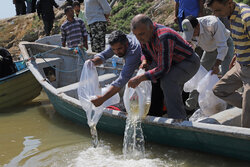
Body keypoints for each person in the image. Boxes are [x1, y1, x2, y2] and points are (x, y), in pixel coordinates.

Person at [129, 14, 200, 120]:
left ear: (151, 27)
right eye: (136, 36)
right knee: (150, 76)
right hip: (168, 62)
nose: (139, 38)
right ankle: (155, 113)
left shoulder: (164, 36)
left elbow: (163, 69)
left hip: (188, 62)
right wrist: (144, 61)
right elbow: (145, 53)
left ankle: (178, 119)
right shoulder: (144, 36)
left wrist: (140, 78)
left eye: (141, 34)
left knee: (168, 80)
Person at [205, 0, 250, 127]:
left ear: (229, 3)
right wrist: (236, 55)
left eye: (218, 10)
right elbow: (241, 38)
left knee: (246, 124)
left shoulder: (246, 17)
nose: (215, 14)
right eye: (213, 11)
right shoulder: (230, 15)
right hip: (240, 65)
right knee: (219, 90)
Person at [182, 15, 234, 111]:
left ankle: (229, 106)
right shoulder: (190, 33)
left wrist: (216, 65)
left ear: (197, 26)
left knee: (226, 76)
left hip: (225, 45)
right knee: (198, 75)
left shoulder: (212, 23)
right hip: (209, 50)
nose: (193, 36)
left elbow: (222, 47)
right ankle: (190, 106)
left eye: (193, 33)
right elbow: (190, 47)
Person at [90, 30, 142, 107]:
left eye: (119, 49)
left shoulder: (133, 52)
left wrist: (102, 98)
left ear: (126, 44)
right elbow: (104, 55)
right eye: (114, 49)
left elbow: (122, 79)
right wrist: (93, 62)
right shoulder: (118, 43)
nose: (116, 52)